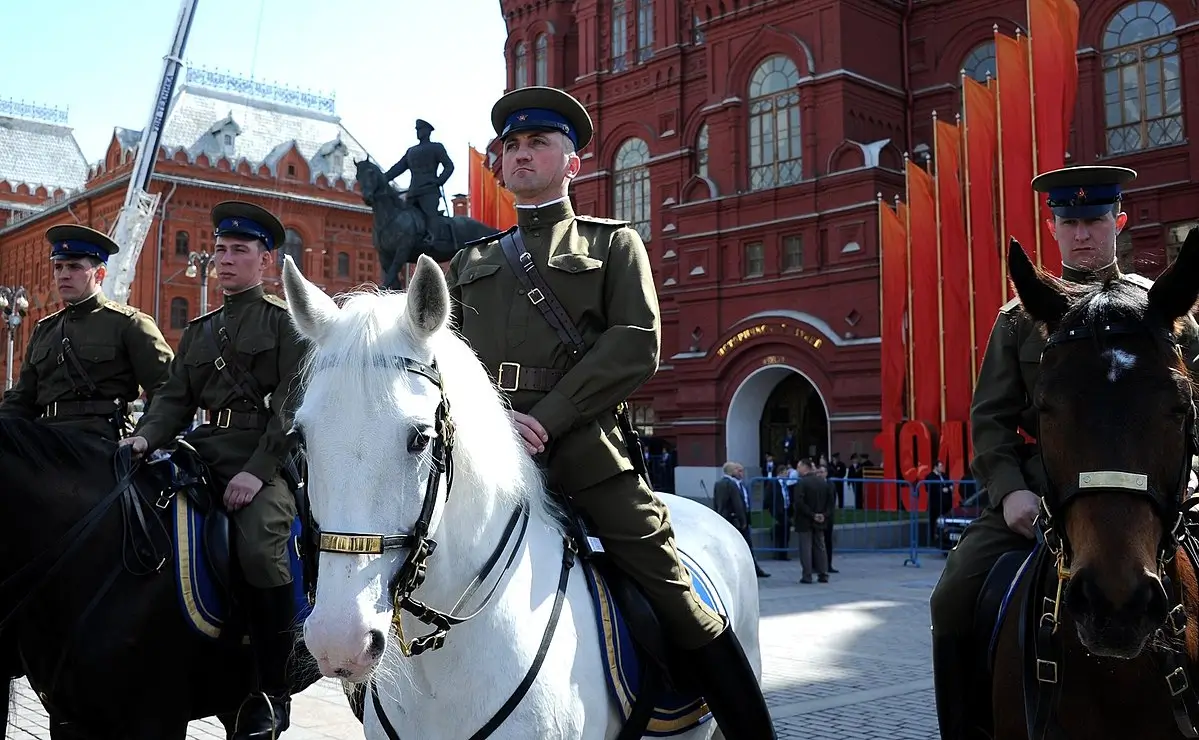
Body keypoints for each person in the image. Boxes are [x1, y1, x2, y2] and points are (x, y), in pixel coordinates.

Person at [445, 85, 776, 738]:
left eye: (537, 143)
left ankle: (748, 730)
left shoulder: (613, 244)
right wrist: (486, 421)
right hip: (485, 460)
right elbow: (444, 356)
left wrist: (548, 415)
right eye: (510, 146)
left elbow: (635, 344)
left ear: (572, 165)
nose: (519, 155)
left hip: (585, 458)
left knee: (673, 591)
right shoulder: (469, 261)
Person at [929, 165, 1199, 738]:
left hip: (1160, 495)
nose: (1083, 234)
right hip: (1043, 496)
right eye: (1070, 221)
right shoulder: (1018, 322)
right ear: (1052, 228)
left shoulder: (1170, 315)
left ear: (1117, 222)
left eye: (1095, 220)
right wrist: (1009, 492)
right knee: (952, 597)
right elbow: (991, 421)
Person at [120, 201, 307, 740]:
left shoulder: (285, 324)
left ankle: (270, 686)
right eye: (221, 250)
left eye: (239, 251)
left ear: (266, 260)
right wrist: (144, 438)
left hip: (263, 457)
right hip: (201, 452)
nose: (225, 259)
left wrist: (258, 471)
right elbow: (173, 400)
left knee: (259, 545)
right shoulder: (200, 331)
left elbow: (292, 407)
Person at [0, 224, 173, 441]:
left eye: (74, 267)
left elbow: (169, 390)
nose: (63, 275)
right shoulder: (45, 330)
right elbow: (21, 400)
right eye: (59, 267)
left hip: (101, 441)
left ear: (99, 274)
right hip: (45, 438)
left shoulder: (130, 324)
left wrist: (146, 437)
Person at [383, 118, 454, 245]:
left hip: (429, 190)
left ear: (428, 131)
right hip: (413, 191)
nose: (418, 132)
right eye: (417, 130)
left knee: (430, 215)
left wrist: (439, 181)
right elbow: (399, 168)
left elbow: (449, 166)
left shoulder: (436, 147)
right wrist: (383, 178)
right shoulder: (411, 151)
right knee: (404, 216)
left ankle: (434, 240)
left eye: (421, 130)